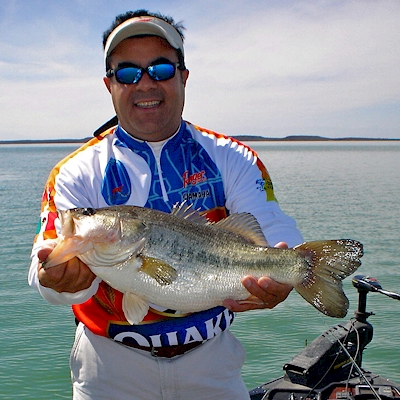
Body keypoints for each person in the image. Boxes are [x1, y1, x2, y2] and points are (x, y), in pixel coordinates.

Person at [28, 9, 304, 400]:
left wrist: (285, 270)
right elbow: (45, 270)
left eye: (160, 69)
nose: (144, 84)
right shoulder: (75, 172)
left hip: (211, 360)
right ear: (109, 85)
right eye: (127, 73)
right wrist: (56, 283)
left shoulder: (232, 157)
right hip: (109, 367)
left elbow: (271, 225)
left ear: (183, 76)